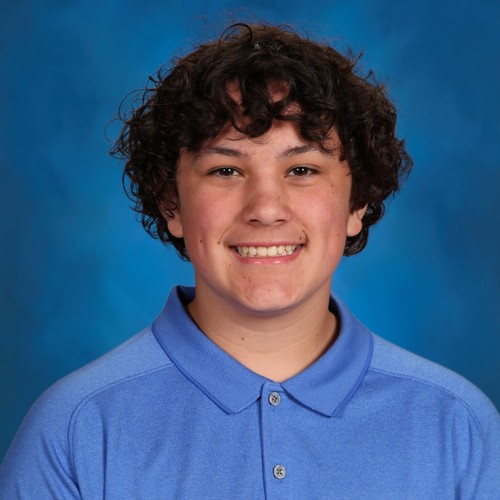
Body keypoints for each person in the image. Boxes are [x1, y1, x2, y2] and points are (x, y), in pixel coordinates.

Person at [1, 22, 498, 499]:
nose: (265, 208)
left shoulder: (460, 427)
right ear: (172, 203)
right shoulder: (75, 430)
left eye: (301, 169)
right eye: (226, 170)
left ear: (357, 202)